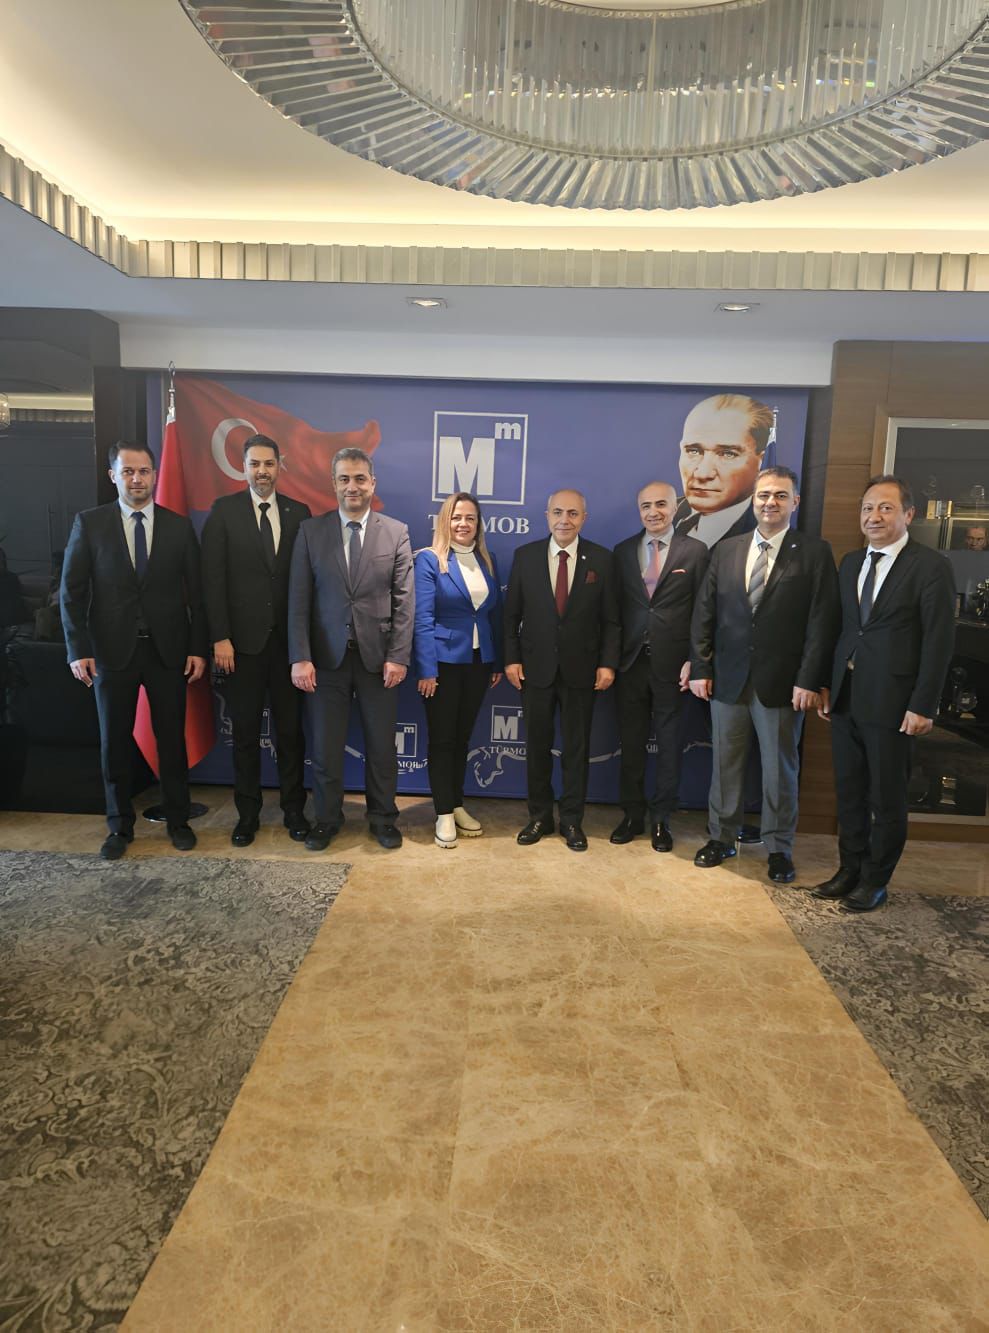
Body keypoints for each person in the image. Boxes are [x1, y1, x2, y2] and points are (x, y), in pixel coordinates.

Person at [813, 475, 956, 912]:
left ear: (908, 514)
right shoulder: (851, 562)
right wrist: (826, 683)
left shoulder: (929, 566)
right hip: (846, 697)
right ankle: (849, 869)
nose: (873, 517)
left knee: (886, 797)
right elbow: (841, 629)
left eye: (885, 508)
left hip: (894, 703)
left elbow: (938, 641)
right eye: (867, 508)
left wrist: (923, 704)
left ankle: (875, 880)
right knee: (849, 791)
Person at [689, 466, 839, 882]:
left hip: (784, 684)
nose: (770, 502)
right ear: (753, 501)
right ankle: (722, 837)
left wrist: (809, 679)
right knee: (725, 765)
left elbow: (822, 622)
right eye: (763, 495)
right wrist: (701, 666)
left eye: (779, 495)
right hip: (728, 680)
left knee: (779, 770)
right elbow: (704, 613)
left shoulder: (814, 553)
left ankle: (779, 848)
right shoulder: (727, 550)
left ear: (795, 502)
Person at [60, 442, 207, 859]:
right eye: (128, 472)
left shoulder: (179, 527)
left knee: (172, 742)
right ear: (113, 476)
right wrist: (77, 648)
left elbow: (198, 595)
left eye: (143, 471)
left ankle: (178, 821)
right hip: (110, 654)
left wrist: (197, 647)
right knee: (114, 744)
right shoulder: (90, 524)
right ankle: (119, 826)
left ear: (155, 475)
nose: (137, 479)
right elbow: (71, 592)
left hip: (168, 653)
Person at [288, 447, 414, 850]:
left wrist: (398, 656)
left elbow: (404, 602)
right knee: (325, 748)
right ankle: (326, 819)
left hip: (379, 661)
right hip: (325, 661)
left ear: (372, 483)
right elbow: (298, 600)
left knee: (381, 748)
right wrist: (300, 656)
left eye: (360, 478)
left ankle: (383, 819)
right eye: (344, 478)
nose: (352, 486)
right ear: (334, 484)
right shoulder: (311, 532)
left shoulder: (396, 532)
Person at [201, 434, 312, 847]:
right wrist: (220, 637)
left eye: (268, 463)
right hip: (240, 648)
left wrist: (304, 647)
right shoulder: (224, 511)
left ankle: (294, 811)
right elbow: (212, 579)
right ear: (243, 467)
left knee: (291, 735)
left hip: (287, 648)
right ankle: (247, 816)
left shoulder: (299, 513)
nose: (261, 471)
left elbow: (306, 582)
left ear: (280, 465)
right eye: (254, 464)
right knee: (246, 736)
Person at [503, 488, 620, 851]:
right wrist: (511, 659)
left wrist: (607, 663)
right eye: (557, 512)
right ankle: (539, 817)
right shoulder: (525, 556)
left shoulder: (602, 559)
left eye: (572, 513)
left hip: (582, 671)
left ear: (583, 518)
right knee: (537, 747)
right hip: (534, 670)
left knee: (576, 749)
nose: (564, 520)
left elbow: (612, 620)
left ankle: (571, 820)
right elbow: (511, 615)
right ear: (547, 515)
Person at [611, 481, 708, 851]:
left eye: (661, 504)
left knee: (669, 746)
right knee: (631, 744)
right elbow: (614, 612)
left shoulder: (695, 551)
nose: (653, 512)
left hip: (674, 667)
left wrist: (696, 660)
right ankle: (632, 815)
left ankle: (661, 820)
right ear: (639, 510)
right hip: (630, 663)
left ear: (675, 507)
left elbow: (703, 611)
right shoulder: (622, 551)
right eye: (646, 506)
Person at [413, 492, 503, 848]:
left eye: (470, 518)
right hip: (442, 664)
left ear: (479, 524)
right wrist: (426, 669)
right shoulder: (429, 560)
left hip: (479, 663)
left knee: (463, 738)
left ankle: (456, 803)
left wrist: (495, 660)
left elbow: (493, 614)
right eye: (456, 517)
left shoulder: (487, 560)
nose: (463, 524)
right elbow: (422, 618)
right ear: (445, 521)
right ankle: (443, 813)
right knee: (443, 739)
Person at [674, 394, 775, 547]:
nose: (702, 474)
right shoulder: (665, 513)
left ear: (761, 461)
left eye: (728, 454)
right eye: (693, 451)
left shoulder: (768, 530)